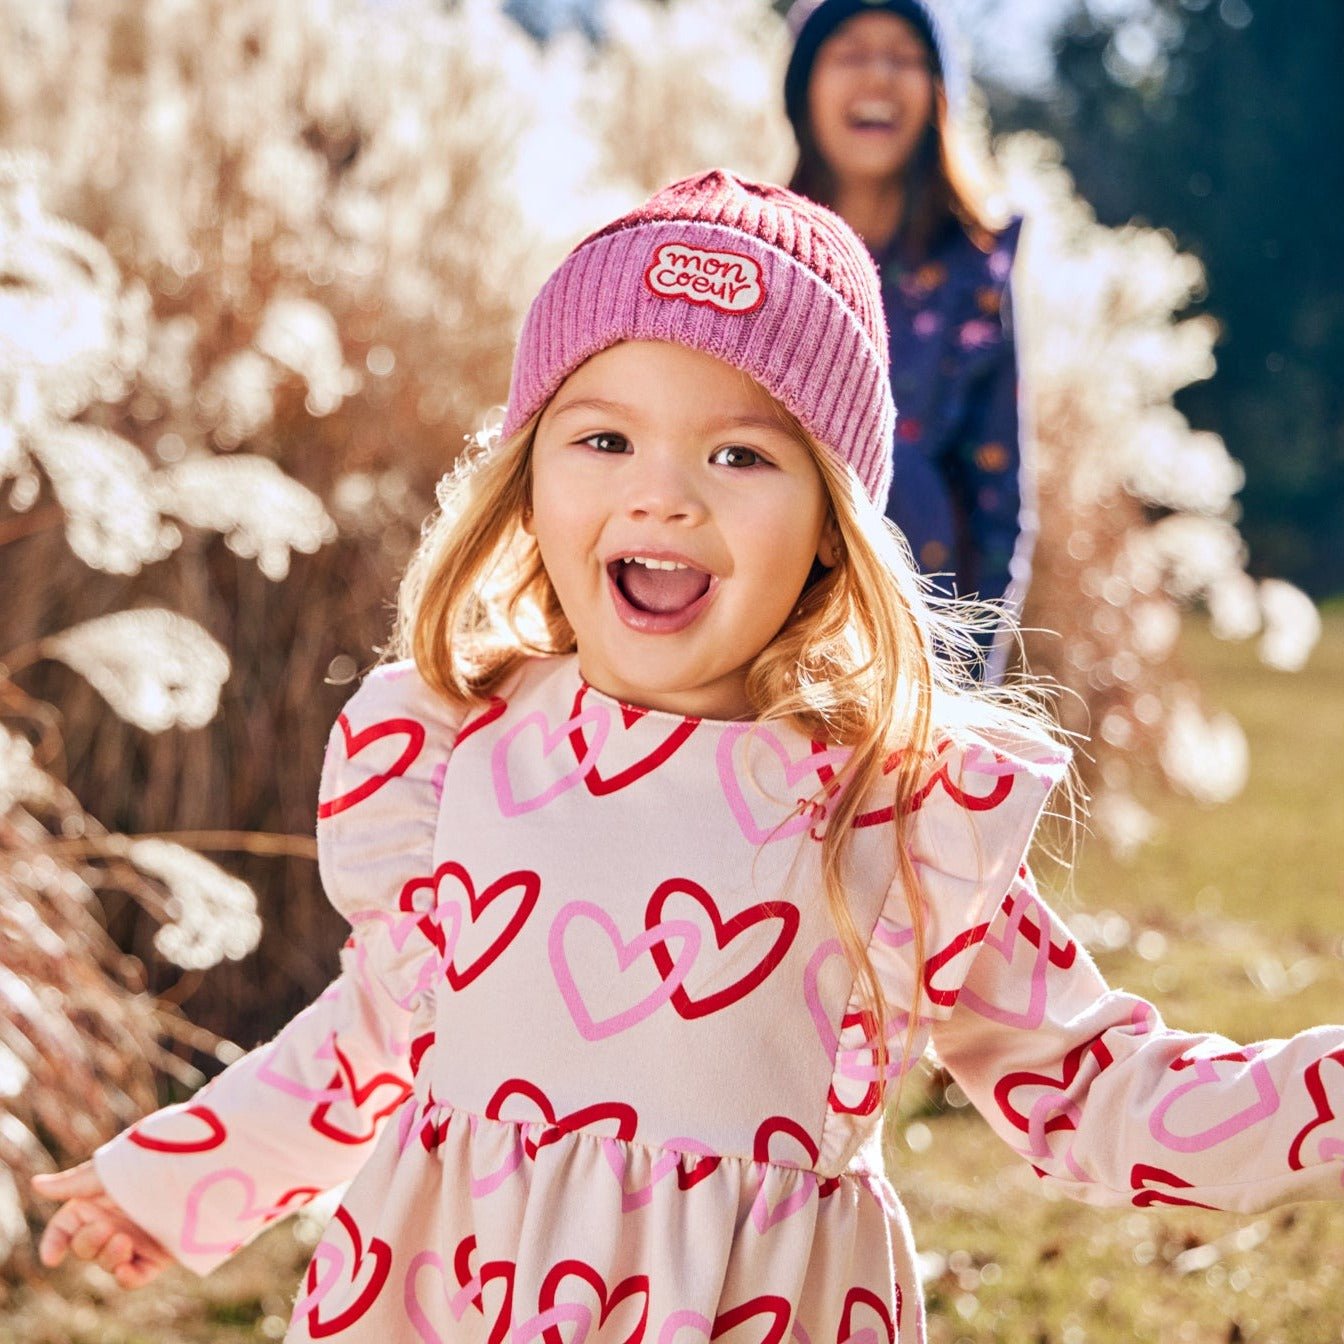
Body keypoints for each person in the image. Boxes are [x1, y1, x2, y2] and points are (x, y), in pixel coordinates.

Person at [31, 172, 1342, 1343]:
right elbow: (367, 1042)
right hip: (448, 1298)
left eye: (740, 453)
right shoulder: (455, 753)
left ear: (833, 528)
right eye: (604, 438)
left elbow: (1095, 1088)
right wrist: (174, 1176)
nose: (665, 494)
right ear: (528, 486)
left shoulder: (893, 812)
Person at [785, 0, 1032, 680]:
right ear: (803, 90)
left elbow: (999, 498)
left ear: (938, 94)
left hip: (919, 633)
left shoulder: (978, 267)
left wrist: (973, 680)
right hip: (773, 620)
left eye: (903, 56)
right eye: (851, 54)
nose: (879, 77)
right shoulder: (764, 249)